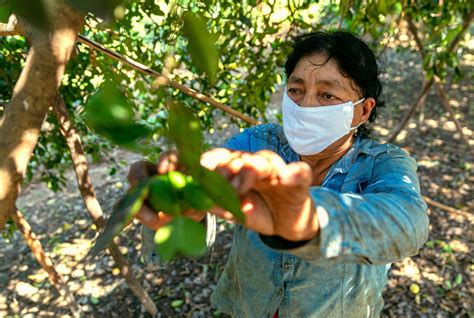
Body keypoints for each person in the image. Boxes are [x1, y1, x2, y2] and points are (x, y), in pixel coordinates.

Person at [128, 30, 429, 317]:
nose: (306, 104)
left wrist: (307, 220)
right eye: (296, 90)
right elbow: (212, 173)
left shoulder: (383, 163)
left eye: (327, 96)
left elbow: (407, 224)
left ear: (363, 111)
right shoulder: (259, 143)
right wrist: (184, 199)